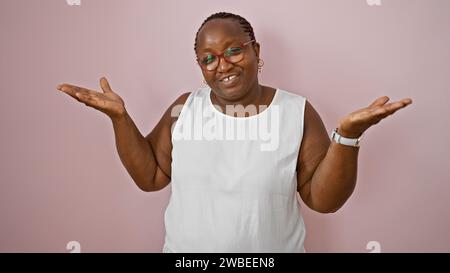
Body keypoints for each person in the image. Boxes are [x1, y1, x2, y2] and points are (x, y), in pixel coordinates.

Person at [56, 12, 412, 252]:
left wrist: (348, 136)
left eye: (233, 51)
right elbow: (151, 175)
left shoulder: (296, 111)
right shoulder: (185, 107)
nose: (222, 65)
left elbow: (324, 200)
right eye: (208, 58)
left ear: (255, 51)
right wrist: (120, 118)